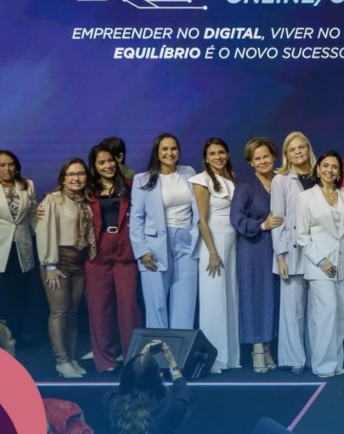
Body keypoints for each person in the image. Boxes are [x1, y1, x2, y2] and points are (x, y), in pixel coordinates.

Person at [297, 150, 344, 378]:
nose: (329, 170)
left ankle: (336, 362)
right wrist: (321, 261)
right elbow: (302, 236)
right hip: (320, 265)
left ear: (339, 171)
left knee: (341, 315)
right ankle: (323, 365)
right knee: (327, 312)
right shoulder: (306, 197)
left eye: (334, 166)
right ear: (318, 169)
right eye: (325, 166)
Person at [129, 134, 200, 329]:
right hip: (154, 246)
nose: (170, 153)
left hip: (186, 242)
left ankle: (179, 346)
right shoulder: (142, 180)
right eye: (165, 149)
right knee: (157, 304)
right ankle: (159, 347)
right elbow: (136, 218)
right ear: (157, 152)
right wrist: (142, 250)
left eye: (173, 148)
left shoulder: (189, 173)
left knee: (185, 303)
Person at [36, 159, 97, 379]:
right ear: (63, 178)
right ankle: (61, 361)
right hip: (58, 260)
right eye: (71, 174)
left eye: (81, 174)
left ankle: (71, 358)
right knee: (59, 311)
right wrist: (50, 264)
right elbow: (43, 232)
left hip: (80, 261)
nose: (76, 178)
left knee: (72, 312)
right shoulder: (53, 199)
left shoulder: (88, 201)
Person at [85, 144, 141, 375]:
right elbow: (63, 197)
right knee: (99, 309)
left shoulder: (131, 186)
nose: (107, 166)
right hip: (97, 252)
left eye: (110, 161)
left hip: (125, 250)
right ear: (94, 166)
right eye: (101, 162)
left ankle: (133, 359)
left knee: (129, 306)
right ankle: (106, 360)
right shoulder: (88, 189)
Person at [231, 138, 282, 373]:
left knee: (272, 297)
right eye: (257, 158)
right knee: (254, 297)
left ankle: (269, 345)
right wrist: (262, 225)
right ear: (251, 162)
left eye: (266, 156)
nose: (262, 161)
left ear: (274, 157)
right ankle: (257, 348)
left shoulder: (281, 181)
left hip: (277, 249)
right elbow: (236, 218)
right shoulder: (246, 186)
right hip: (253, 248)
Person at [189, 138, 239, 373]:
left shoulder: (231, 178)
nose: (218, 157)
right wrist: (212, 252)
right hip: (214, 244)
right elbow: (201, 220)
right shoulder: (201, 181)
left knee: (229, 296)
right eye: (212, 153)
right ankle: (213, 359)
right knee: (213, 301)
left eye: (221, 152)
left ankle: (229, 357)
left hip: (232, 243)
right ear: (206, 158)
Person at [270, 132, 318, 374]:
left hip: (318, 250)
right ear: (286, 155)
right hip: (291, 251)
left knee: (316, 311)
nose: (298, 152)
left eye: (302, 147)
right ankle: (294, 359)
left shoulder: (320, 176)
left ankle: (315, 358)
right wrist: (280, 256)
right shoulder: (281, 180)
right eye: (292, 149)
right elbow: (277, 220)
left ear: (309, 149)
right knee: (292, 309)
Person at [0, 150, 37, 333]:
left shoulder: (27, 185)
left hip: (21, 248)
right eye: (2, 165)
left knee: (20, 294)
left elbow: (33, 216)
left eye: (11, 164)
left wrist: (47, 239)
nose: (7, 168)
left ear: (17, 166)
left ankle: (16, 335)